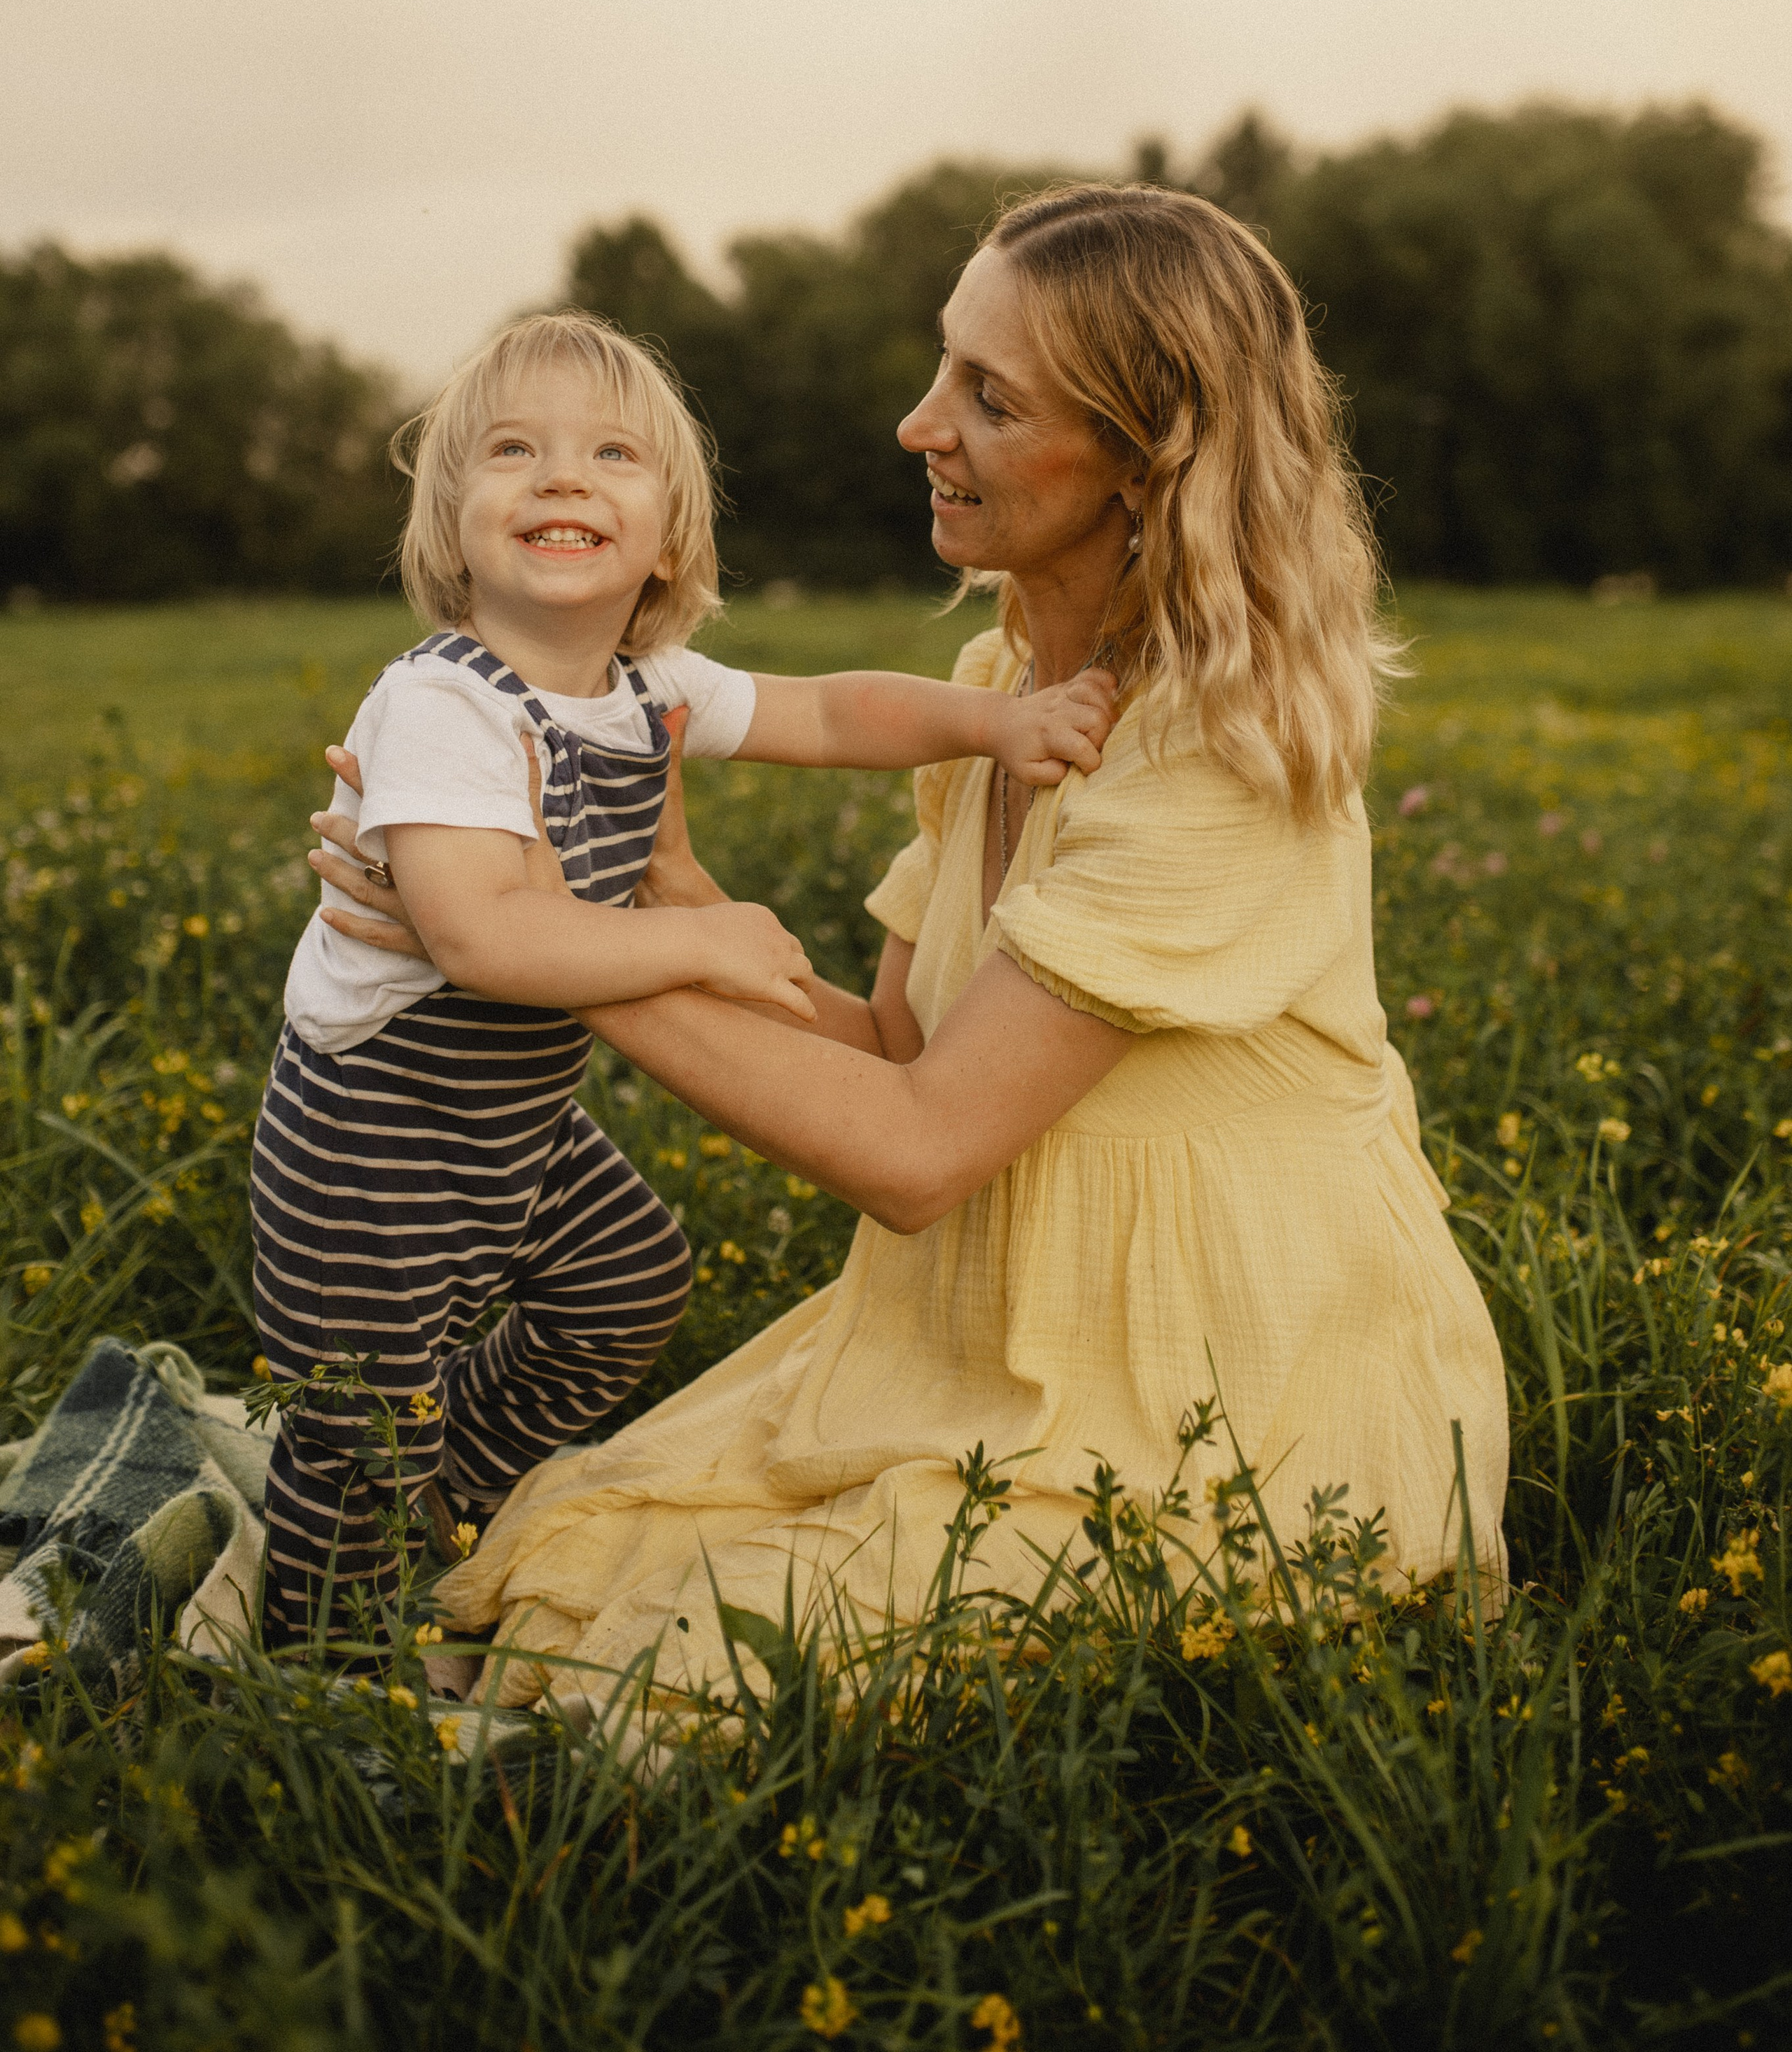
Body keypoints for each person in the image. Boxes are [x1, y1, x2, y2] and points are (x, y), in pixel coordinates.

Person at [311, 189, 1509, 1708]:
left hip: (1228, 1391)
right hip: (983, 1337)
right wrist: (662, 892)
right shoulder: (1001, 684)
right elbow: (894, 1050)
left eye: (985, 397)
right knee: (563, 1557)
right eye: (945, 366)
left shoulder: (1220, 751)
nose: (913, 423)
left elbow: (916, 1146)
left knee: (672, 1663)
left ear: (1149, 456)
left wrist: (515, 935)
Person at [255, 307, 1115, 1646]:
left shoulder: (645, 686)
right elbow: (482, 938)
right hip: (378, 1135)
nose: (561, 478)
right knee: (364, 1410)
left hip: (518, 1121)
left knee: (627, 1285)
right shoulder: (445, 705)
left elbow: (831, 710)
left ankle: (444, 1491)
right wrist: (700, 936)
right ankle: (316, 1655)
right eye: (512, 452)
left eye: (612, 453)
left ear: (666, 538)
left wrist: (997, 722)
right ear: (448, 523)